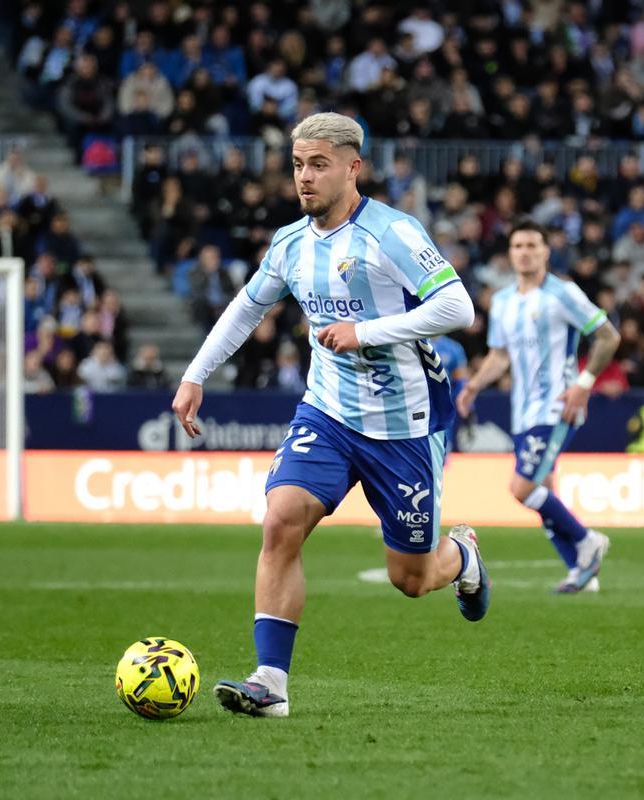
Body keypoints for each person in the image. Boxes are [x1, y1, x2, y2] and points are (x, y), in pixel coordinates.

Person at [170, 113, 486, 719]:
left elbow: (458, 307)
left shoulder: (394, 232)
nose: (305, 178)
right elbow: (245, 309)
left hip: (405, 426)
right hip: (329, 412)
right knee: (281, 518)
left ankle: (463, 556)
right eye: (297, 165)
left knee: (412, 578)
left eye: (318, 164)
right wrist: (194, 375)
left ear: (352, 166)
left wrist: (366, 331)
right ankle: (271, 683)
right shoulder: (290, 243)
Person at [455, 219, 620, 594]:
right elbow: (500, 355)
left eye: (532, 245)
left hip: (558, 406)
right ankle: (581, 572)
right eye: (518, 246)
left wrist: (583, 383)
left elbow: (608, 336)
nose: (525, 252)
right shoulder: (503, 301)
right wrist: (474, 386)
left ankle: (586, 541)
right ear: (510, 253)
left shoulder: (563, 293)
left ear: (546, 251)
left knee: (522, 487)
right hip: (524, 411)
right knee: (543, 490)